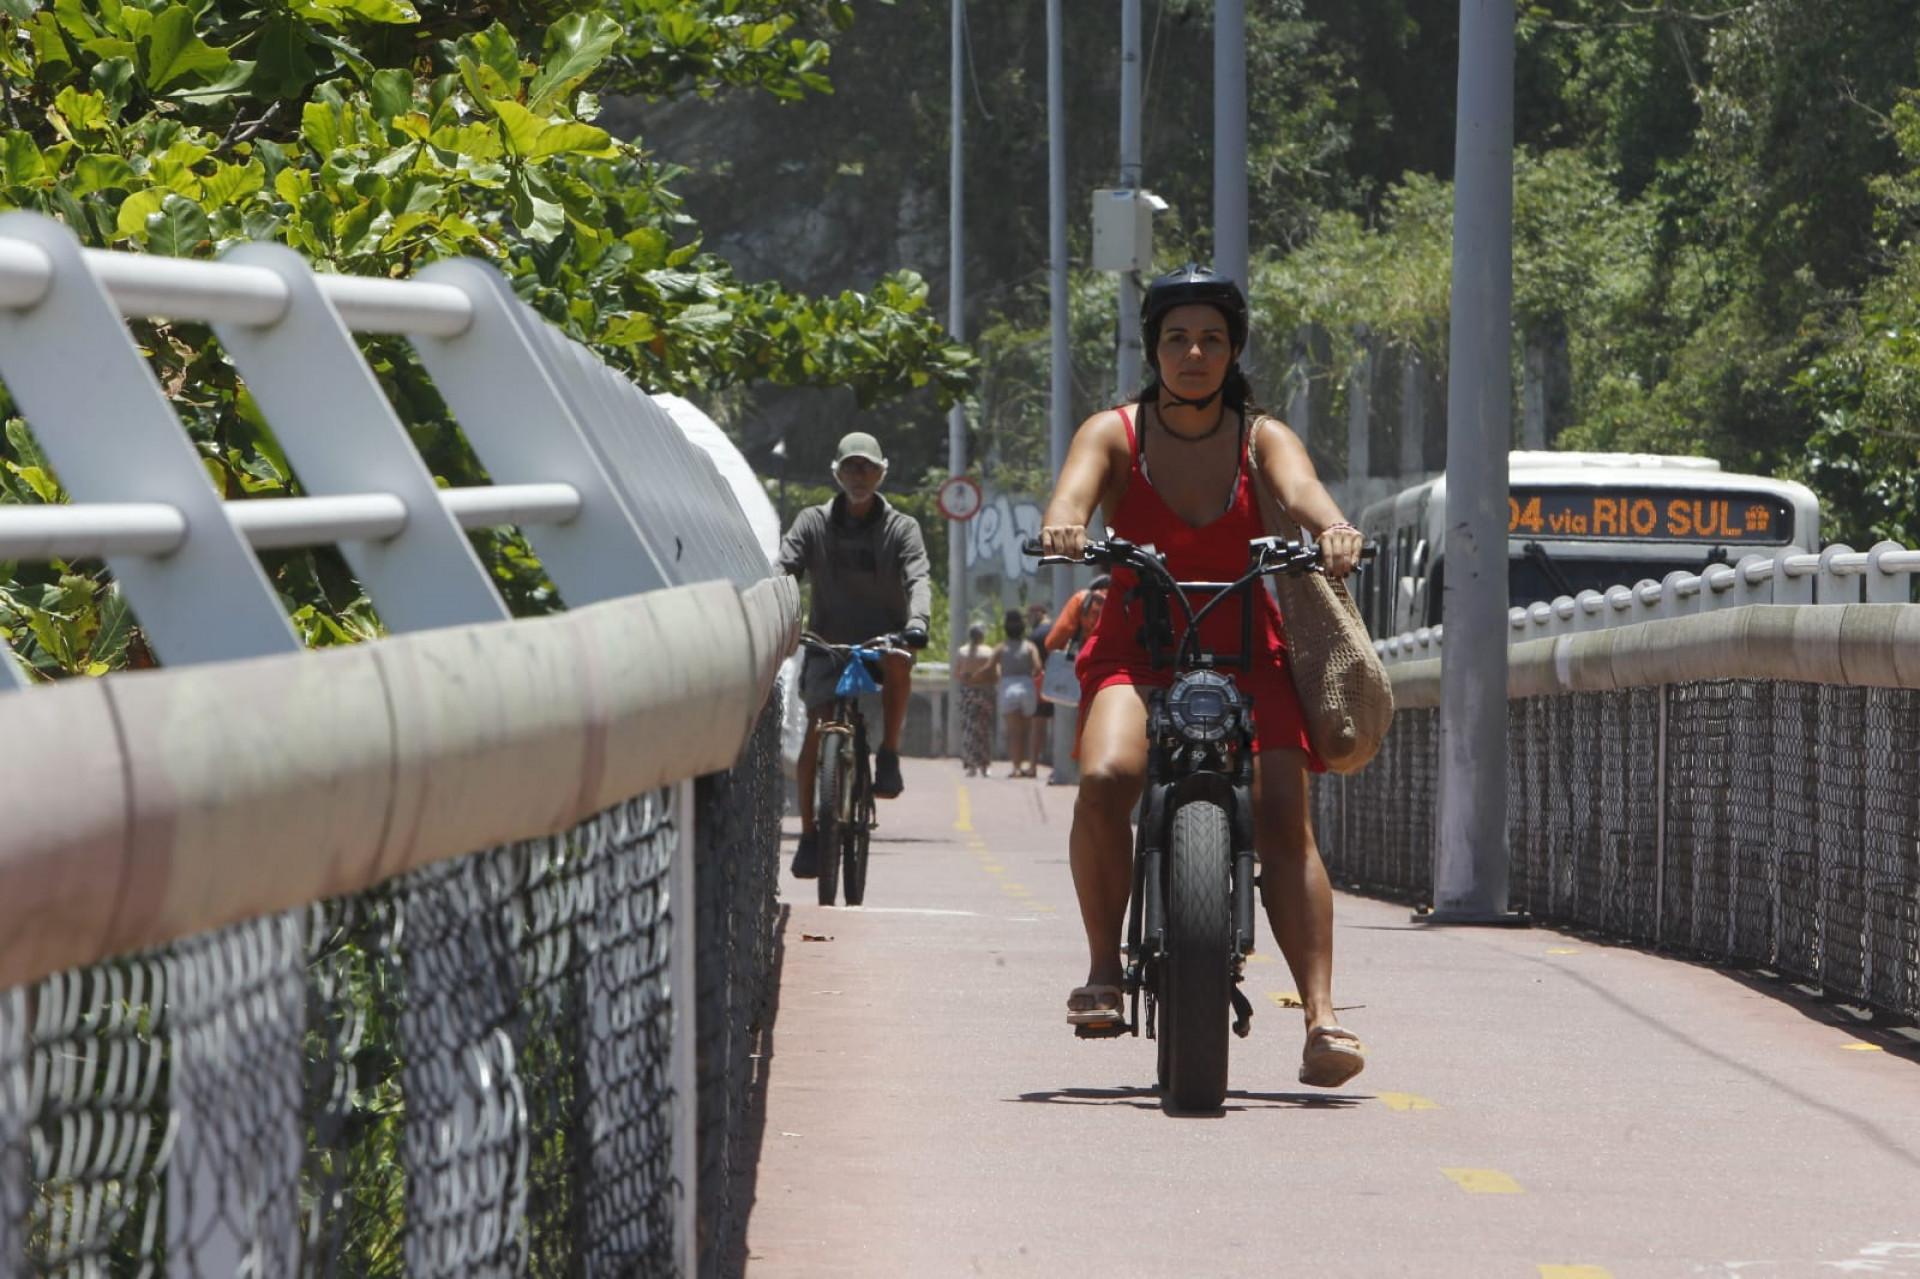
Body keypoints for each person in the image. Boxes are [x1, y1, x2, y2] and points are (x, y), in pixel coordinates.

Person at [1036, 264, 1368, 1088]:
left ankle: (1322, 1017)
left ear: (1233, 350)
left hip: (1251, 659)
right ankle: (1103, 969)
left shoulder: (1263, 437)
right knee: (1108, 776)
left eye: (1211, 339)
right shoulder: (1113, 432)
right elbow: (1071, 495)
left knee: (1288, 816)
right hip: (1136, 654)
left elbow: (1307, 492)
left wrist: (1333, 530)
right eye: (1177, 337)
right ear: (1153, 347)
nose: (1193, 353)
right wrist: (1065, 525)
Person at [779, 430, 931, 878]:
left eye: (866, 467)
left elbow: (917, 578)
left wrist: (916, 624)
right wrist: (777, 614)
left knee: (899, 661)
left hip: (884, 640)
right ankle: (810, 834)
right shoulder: (812, 522)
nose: (858, 475)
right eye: (850, 467)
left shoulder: (902, 528)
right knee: (815, 730)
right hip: (828, 642)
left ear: (881, 473)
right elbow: (785, 568)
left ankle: (888, 754)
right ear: (837, 473)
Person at [992, 609, 1044, 778]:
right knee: (1026, 731)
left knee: (1013, 733)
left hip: (1008, 687)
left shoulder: (1001, 647)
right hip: (1027, 686)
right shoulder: (1029, 646)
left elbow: (989, 666)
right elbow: (1037, 667)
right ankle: (1028, 766)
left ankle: (1016, 767)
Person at [953, 621, 997, 776]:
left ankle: (971, 764)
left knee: (968, 728)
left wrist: (969, 678)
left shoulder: (962, 652)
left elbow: (957, 674)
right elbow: (995, 675)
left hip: (967, 693)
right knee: (983, 729)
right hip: (984, 692)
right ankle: (985, 765)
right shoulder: (988, 652)